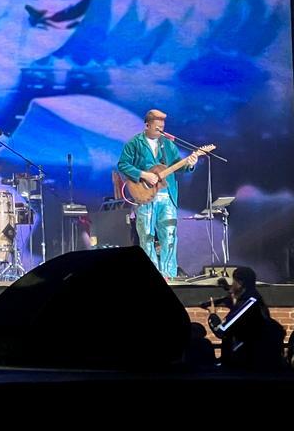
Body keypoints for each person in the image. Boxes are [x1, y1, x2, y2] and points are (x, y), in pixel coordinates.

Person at [116, 109, 198, 278]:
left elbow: (178, 165)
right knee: (147, 236)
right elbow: (123, 165)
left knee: (169, 236)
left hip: (167, 196)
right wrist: (144, 175)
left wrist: (190, 164)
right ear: (147, 125)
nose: (160, 130)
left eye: (162, 127)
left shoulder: (168, 144)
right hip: (145, 196)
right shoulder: (135, 143)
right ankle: (151, 275)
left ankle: (169, 275)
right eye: (157, 127)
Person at [207, 266, 286, 370]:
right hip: (245, 361)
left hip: (245, 364)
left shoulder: (249, 302)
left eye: (234, 282)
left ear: (240, 283)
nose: (232, 285)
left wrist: (212, 314)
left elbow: (221, 331)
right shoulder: (252, 300)